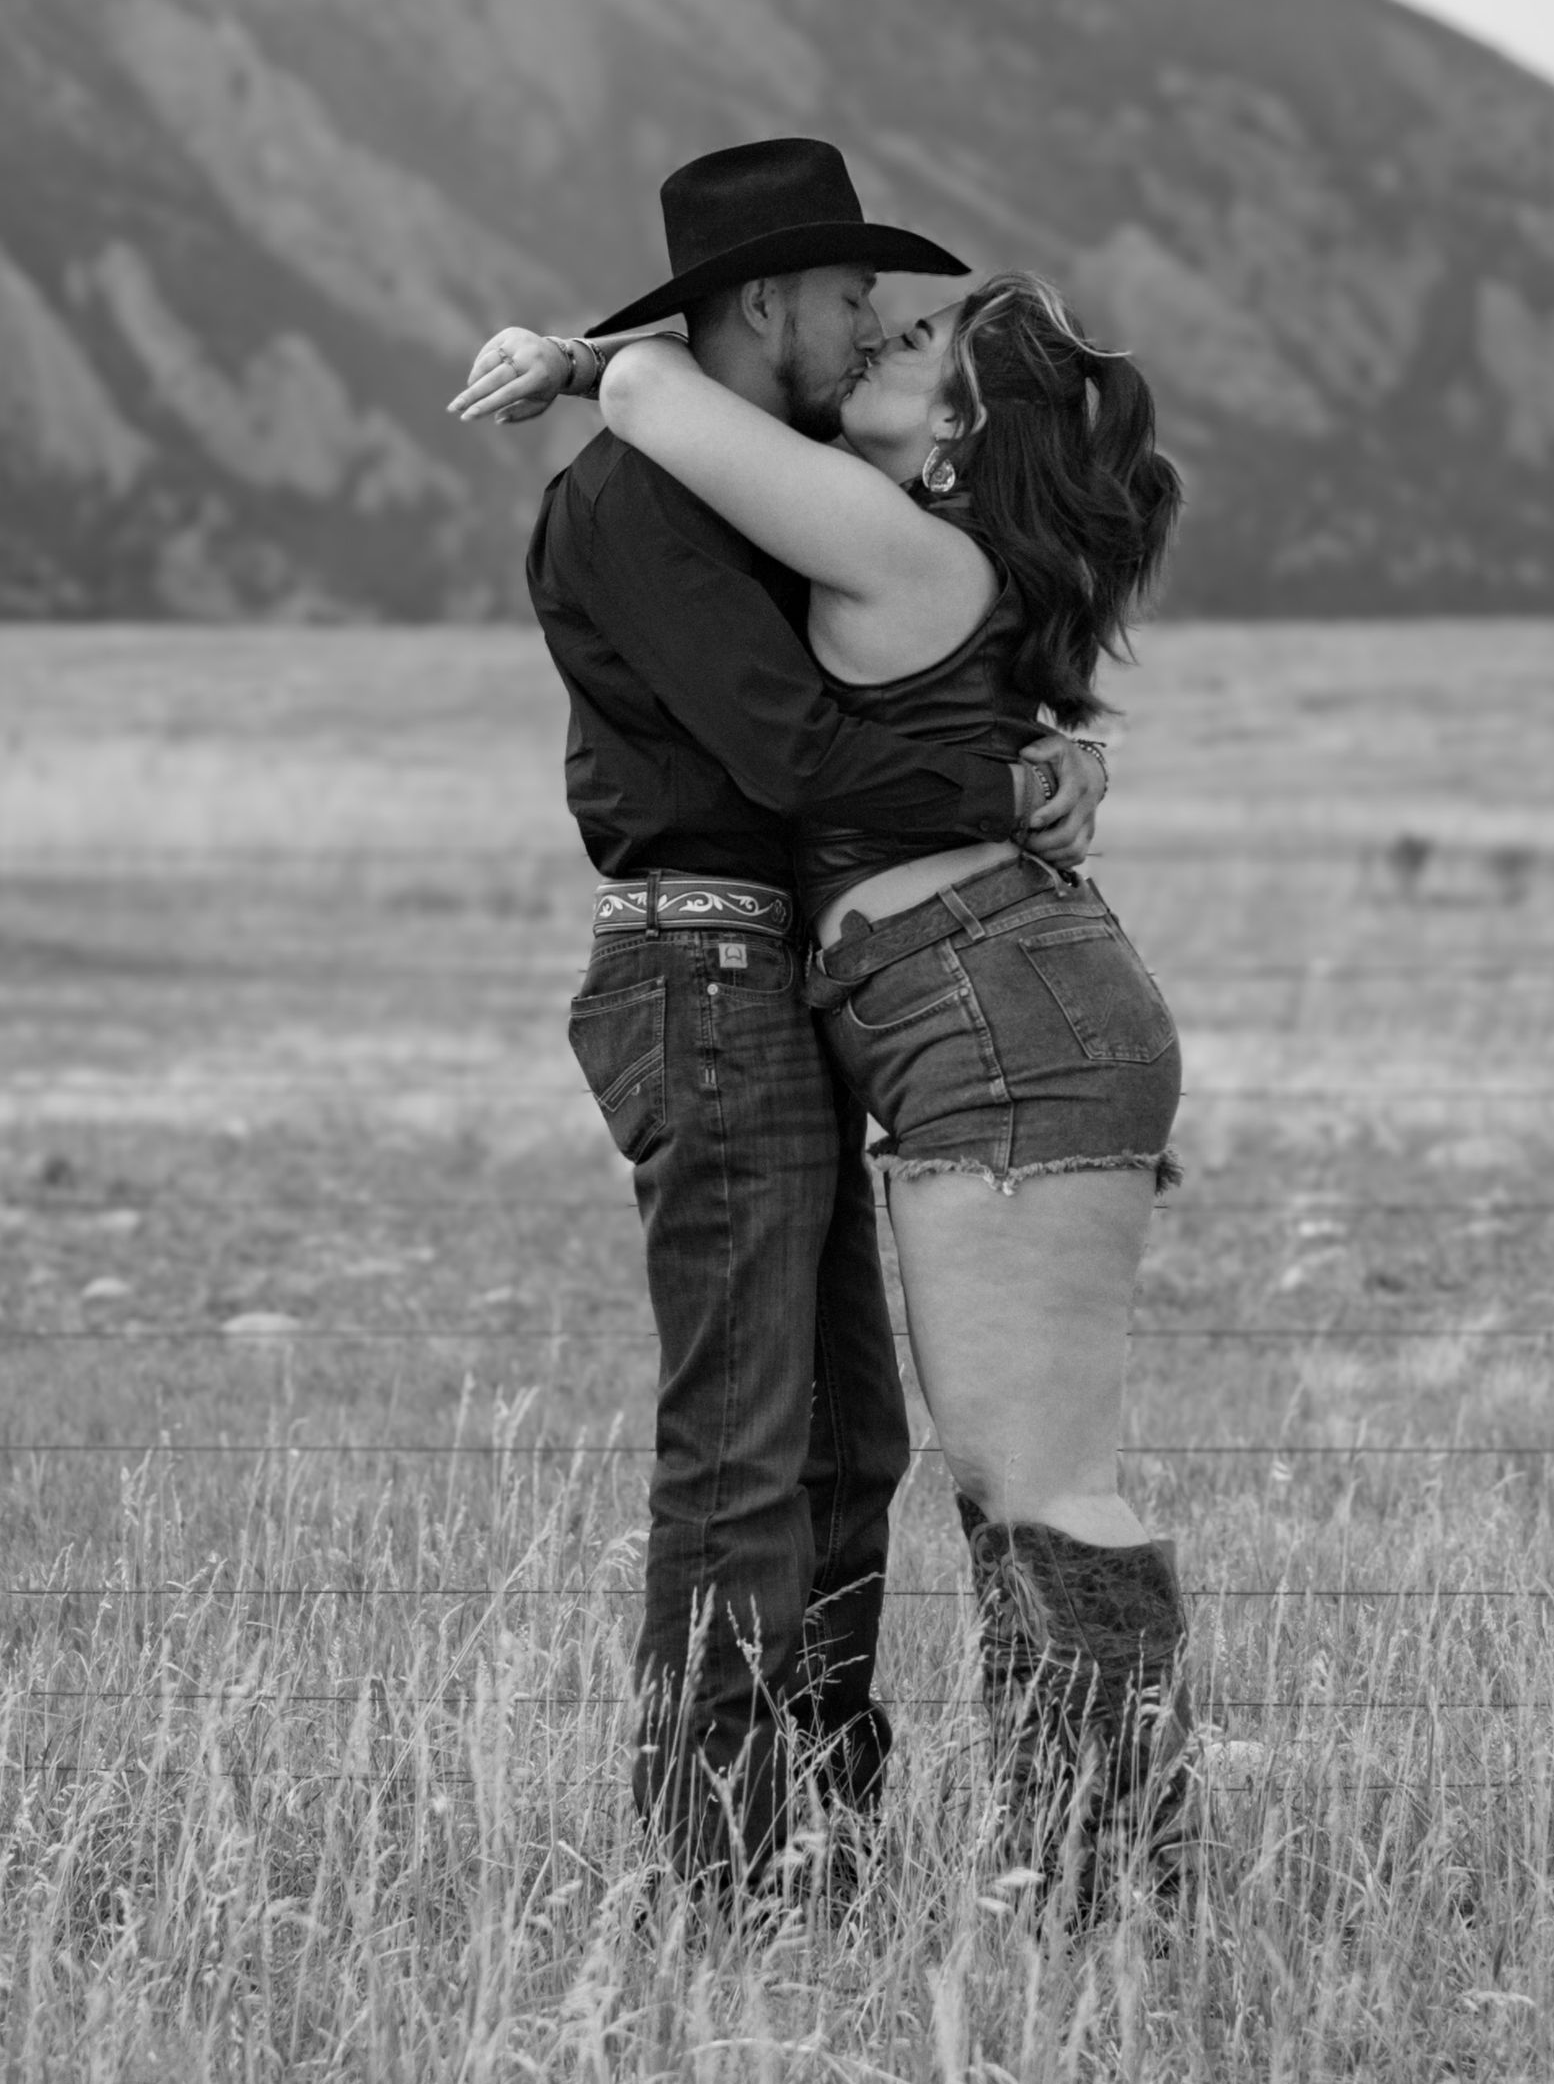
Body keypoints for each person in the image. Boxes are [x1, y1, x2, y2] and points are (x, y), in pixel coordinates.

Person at [450, 139, 1106, 1897]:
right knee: (745, 1444)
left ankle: (821, 1816)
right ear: (763, 304)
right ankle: (727, 1862)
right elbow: (795, 752)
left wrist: (1045, 740)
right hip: (701, 973)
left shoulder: (757, 479)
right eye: (849, 295)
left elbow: (903, 644)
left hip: (769, 977)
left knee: (844, 1439)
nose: (874, 322)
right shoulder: (633, 505)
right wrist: (1003, 783)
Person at [561, 263, 1195, 1912]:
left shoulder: (902, 543)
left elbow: (645, 391)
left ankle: (1107, 1892)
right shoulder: (907, 536)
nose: (875, 337)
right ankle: (1085, 1876)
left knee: (1042, 1488)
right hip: (986, 1006)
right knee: (1017, 1485)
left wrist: (572, 355)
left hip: (1004, 1017)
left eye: (913, 339)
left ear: (958, 425)